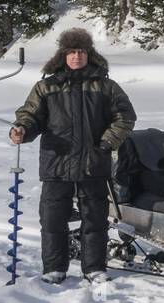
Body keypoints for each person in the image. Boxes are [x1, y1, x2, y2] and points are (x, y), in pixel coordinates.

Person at [10, 28, 137, 284]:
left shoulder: (106, 86)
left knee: (95, 219)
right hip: (56, 162)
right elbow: (30, 116)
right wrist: (22, 129)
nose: (76, 57)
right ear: (63, 55)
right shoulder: (46, 87)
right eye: (71, 52)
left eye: (81, 51)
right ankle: (54, 268)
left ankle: (94, 268)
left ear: (89, 54)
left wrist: (106, 143)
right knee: (53, 218)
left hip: (93, 162)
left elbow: (125, 117)